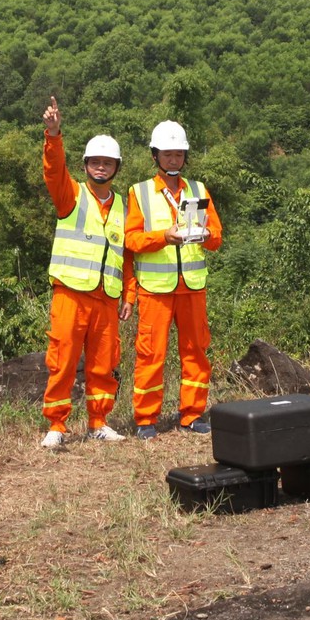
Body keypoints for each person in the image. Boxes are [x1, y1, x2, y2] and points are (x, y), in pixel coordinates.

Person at [39, 98, 130, 448]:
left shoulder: (123, 205)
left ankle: (98, 421)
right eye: (95, 162)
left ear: (116, 167)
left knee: (103, 364)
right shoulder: (71, 195)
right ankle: (57, 426)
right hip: (71, 294)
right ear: (87, 165)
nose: (101, 167)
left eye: (108, 163)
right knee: (62, 360)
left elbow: (128, 255)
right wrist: (53, 134)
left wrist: (129, 295)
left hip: (107, 298)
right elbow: (53, 170)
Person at [125, 120, 223, 439]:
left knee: (196, 350)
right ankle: (146, 419)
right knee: (151, 353)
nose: (173, 159)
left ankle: (192, 414)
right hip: (155, 290)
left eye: (178, 154)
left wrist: (206, 234)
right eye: (167, 154)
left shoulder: (198, 190)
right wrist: (164, 237)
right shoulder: (139, 192)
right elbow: (132, 240)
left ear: (185, 157)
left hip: (193, 286)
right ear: (155, 156)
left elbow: (217, 238)